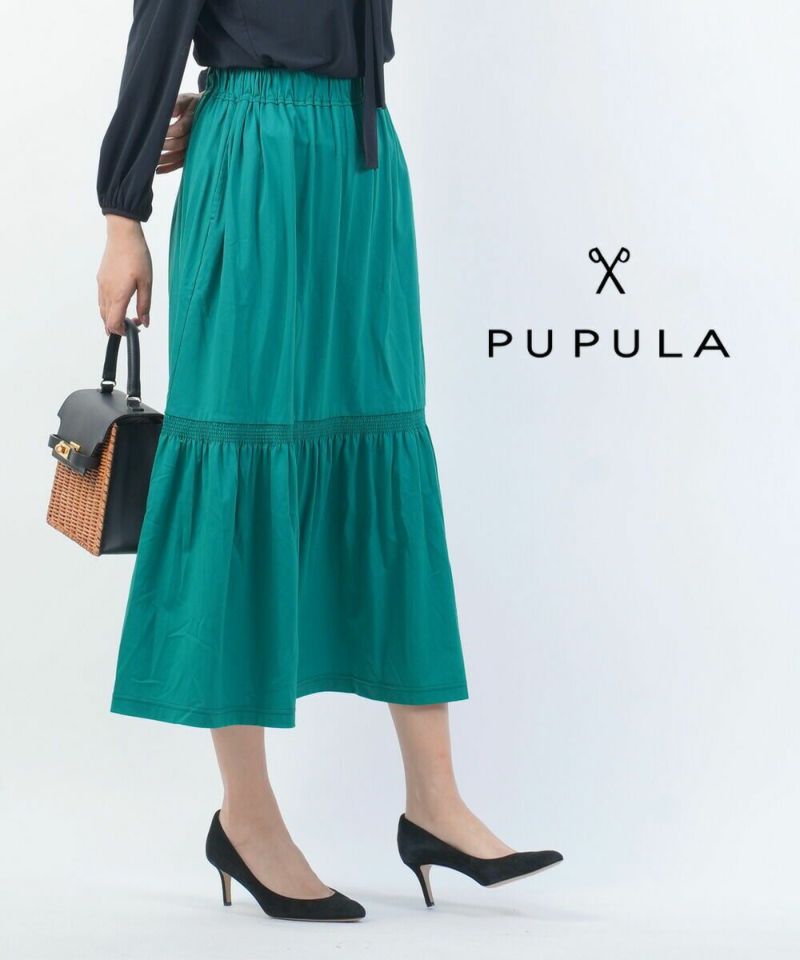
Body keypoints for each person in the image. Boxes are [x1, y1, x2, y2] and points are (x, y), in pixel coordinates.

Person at [96, 0, 562, 922]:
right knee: (241, 455)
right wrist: (122, 215)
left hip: (362, 155)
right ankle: (247, 818)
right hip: (254, 156)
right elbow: (159, 28)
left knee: (383, 439)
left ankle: (435, 805)